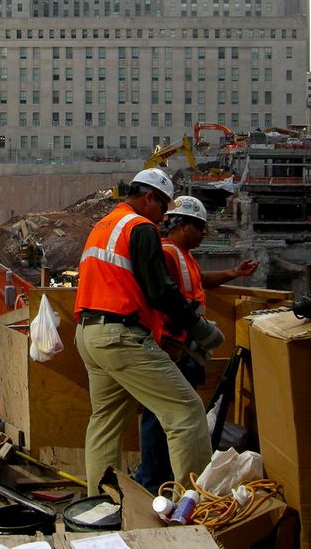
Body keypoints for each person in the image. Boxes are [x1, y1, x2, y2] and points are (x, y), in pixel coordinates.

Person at [74, 168, 223, 495]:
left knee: (105, 423)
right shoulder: (140, 227)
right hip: (121, 335)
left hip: (89, 334)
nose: (163, 218)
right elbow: (160, 291)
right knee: (186, 412)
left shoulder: (103, 225)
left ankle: (102, 504)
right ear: (149, 198)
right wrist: (198, 326)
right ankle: (197, 508)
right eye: (162, 208)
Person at [134, 195, 259, 490]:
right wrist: (175, 338)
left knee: (172, 414)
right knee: (160, 415)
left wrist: (233, 273)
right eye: (199, 227)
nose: (204, 234)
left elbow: (197, 280)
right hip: (171, 346)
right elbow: (163, 297)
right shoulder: (166, 253)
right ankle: (153, 482)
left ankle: (161, 478)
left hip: (185, 346)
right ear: (181, 225)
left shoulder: (182, 256)